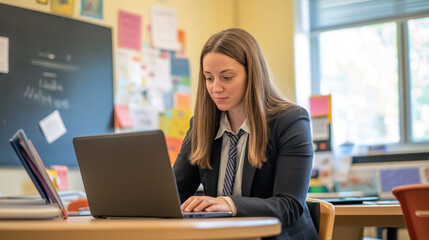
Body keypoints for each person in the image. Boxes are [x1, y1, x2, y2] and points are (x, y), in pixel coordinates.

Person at [173, 28, 319, 239]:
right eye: (209, 78)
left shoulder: (291, 121)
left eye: (227, 77)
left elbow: (289, 206)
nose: (215, 88)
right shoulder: (201, 126)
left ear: (252, 75)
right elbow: (175, 193)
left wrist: (228, 203)